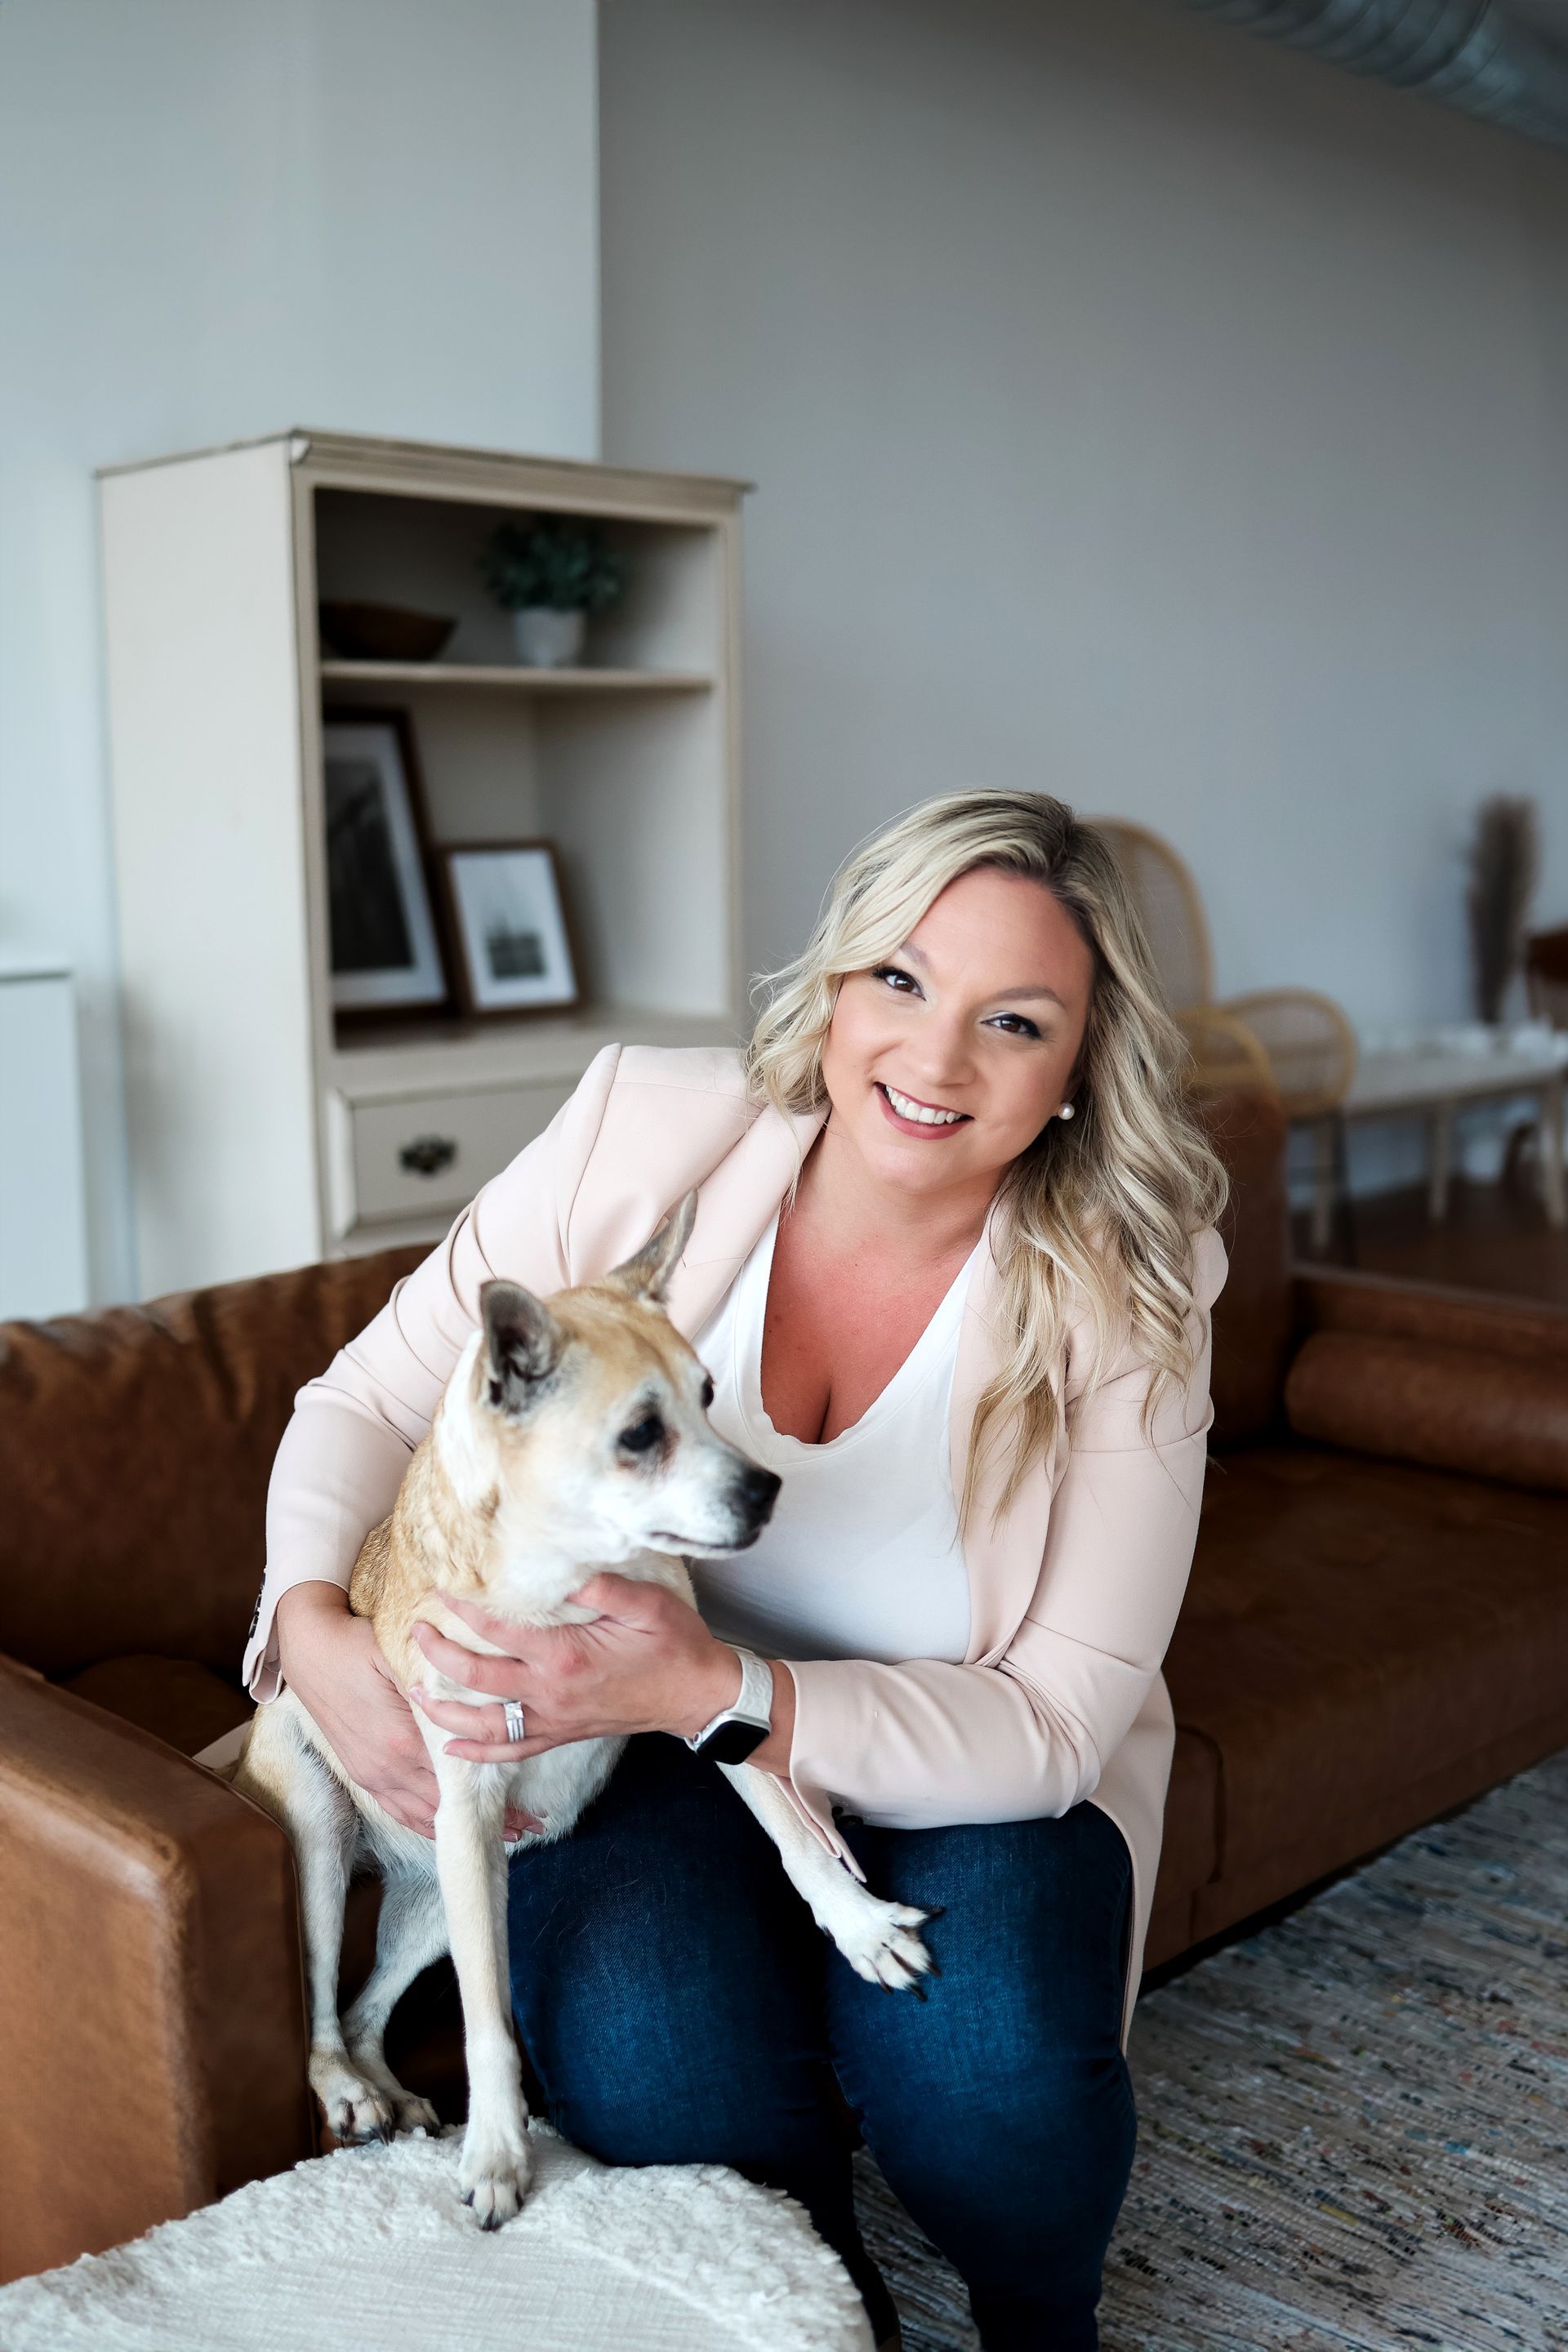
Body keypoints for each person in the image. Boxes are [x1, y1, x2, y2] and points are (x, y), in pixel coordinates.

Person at [247, 789, 1228, 2351]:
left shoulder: (1131, 1293)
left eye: (1016, 1023)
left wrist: (719, 1686)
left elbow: (1053, 1721)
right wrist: (309, 1631)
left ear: (1074, 1077)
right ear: (838, 984)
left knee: (991, 2085)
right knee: (652, 2070)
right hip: (636, 1760)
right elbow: (369, 1400)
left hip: (965, 1761)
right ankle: (827, 2318)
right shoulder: (654, 1128)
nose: (934, 1059)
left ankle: (1045, 2325)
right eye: (899, 982)